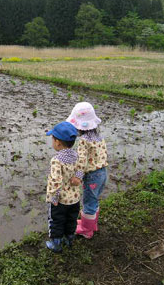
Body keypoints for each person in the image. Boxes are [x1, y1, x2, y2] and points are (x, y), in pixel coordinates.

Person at [67, 102, 108, 239]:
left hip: (92, 176)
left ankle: (86, 230)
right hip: (102, 173)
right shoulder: (99, 137)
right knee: (94, 200)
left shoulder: (84, 140)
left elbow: (82, 161)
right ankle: (91, 224)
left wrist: (78, 176)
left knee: (88, 202)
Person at [45, 121, 80, 252]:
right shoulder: (76, 156)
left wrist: (54, 197)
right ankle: (69, 239)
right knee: (71, 219)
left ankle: (56, 244)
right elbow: (81, 170)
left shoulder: (56, 160)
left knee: (56, 221)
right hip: (74, 199)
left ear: (58, 142)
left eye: (52, 139)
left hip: (60, 200)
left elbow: (56, 180)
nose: (52, 142)